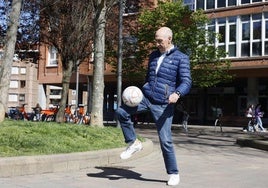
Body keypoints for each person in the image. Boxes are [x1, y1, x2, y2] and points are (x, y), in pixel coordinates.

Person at [115, 26, 192, 186]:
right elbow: (149, 76)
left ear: (169, 39)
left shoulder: (181, 58)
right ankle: (133, 143)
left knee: (165, 141)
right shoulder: (153, 56)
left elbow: (186, 81)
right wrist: (144, 87)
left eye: (160, 41)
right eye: (156, 40)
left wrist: (177, 94)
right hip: (146, 98)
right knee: (121, 112)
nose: (157, 43)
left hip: (164, 104)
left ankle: (173, 173)